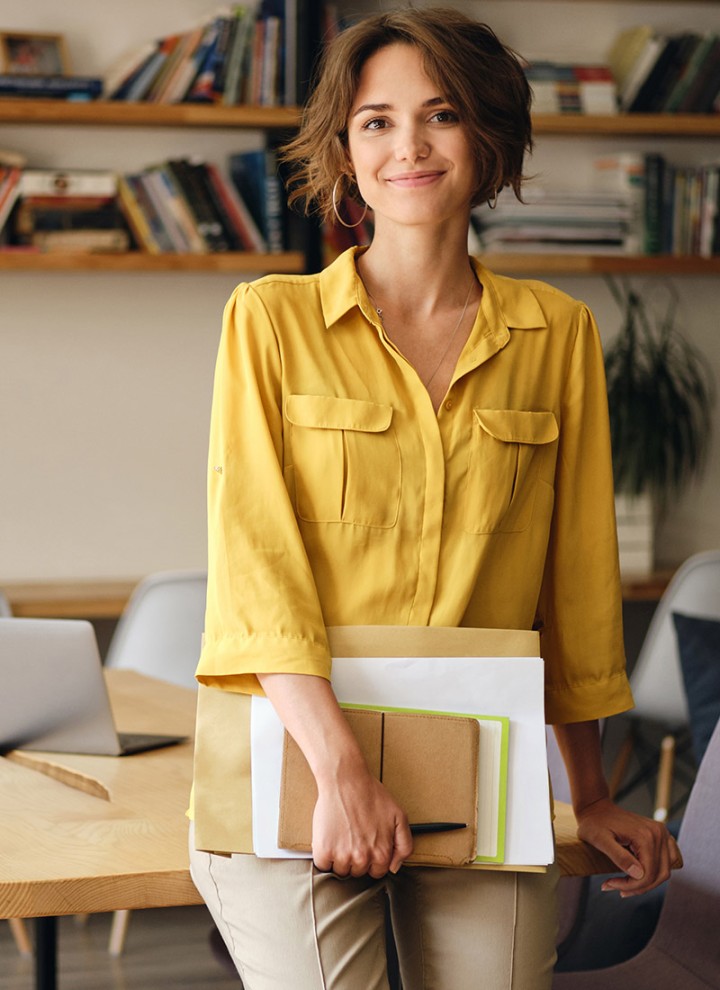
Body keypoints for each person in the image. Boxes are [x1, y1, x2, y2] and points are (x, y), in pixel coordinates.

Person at [188, 8, 680, 989]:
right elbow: (258, 571)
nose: (407, 145)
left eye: (440, 115)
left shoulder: (557, 333)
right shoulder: (268, 321)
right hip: (295, 764)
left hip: (483, 775)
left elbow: (573, 584)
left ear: (488, 138)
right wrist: (342, 771)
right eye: (375, 121)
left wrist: (591, 794)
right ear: (344, 150)